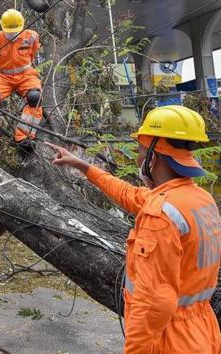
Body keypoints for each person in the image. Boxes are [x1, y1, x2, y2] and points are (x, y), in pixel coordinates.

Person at [45, 105, 221, 354]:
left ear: (154, 156)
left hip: (170, 340)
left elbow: (153, 303)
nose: (138, 158)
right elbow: (129, 194)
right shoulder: (199, 199)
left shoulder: (160, 216)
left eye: (140, 150)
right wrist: (82, 166)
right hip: (202, 331)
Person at [0, 8, 42, 162]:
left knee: (35, 98)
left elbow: (33, 55)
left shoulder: (31, 36)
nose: (12, 34)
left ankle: (24, 137)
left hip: (26, 75)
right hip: (2, 76)